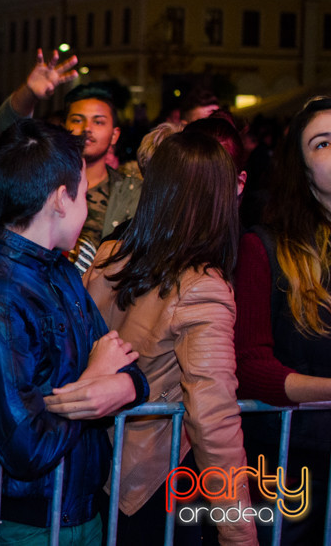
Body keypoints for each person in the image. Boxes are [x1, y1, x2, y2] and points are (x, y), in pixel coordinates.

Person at [0, 119, 147, 545]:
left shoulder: (60, 272)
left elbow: (125, 365)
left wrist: (125, 388)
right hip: (22, 525)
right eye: (83, 195)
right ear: (60, 199)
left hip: (83, 510)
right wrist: (95, 382)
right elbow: (26, 448)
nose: (88, 206)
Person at [82, 132, 256, 545]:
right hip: (151, 485)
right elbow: (214, 420)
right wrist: (239, 532)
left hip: (97, 466)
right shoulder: (203, 287)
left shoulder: (112, 254)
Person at [234, 96, 331, 543]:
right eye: (323, 143)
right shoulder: (265, 249)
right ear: (301, 167)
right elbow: (252, 368)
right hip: (296, 462)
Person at [63, 85, 141, 273]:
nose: (86, 129)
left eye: (98, 122)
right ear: (64, 128)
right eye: (77, 120)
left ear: (114, 135)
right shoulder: (46, 185)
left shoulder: (132, 192)